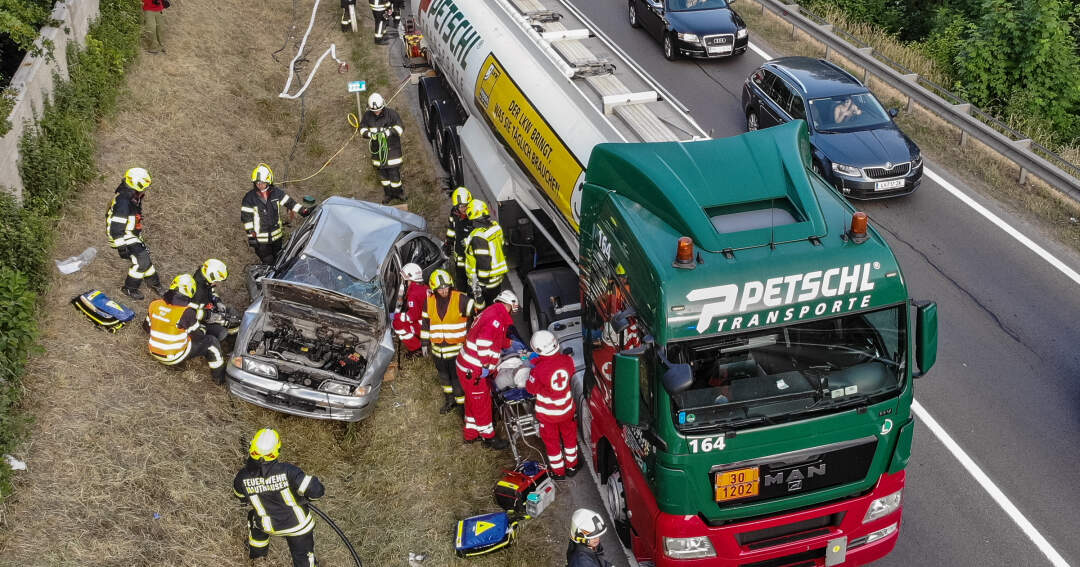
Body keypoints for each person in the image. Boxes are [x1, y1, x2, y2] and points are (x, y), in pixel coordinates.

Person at [233, 428, 325, 567]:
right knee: (303, 557)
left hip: (267, 525)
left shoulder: (242, 476)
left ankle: (257, 556)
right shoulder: (288, 471)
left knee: (254, 517)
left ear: (252, 448)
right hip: (297, 526)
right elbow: (316, 491)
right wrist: (304, 500)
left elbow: (239, 496)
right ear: (277, 450)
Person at [455, 290, 520, 450]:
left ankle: (470, 434)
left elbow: (495, 338)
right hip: (474, 369)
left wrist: (509, 344)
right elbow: (484, 344)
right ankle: (488, 437)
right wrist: (486, 366)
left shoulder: (492, 313)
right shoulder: (495, 319)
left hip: (466, 366)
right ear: (509, 305)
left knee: (472, 401)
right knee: (482, 403)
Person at [142, 274, 226, 384]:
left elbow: (146, 327)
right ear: (191, 291)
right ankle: (219, 378)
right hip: (173, 356)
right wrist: (203, 328)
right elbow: (198, 336)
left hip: (153, 350)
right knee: (211, 342)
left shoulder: (155, 304)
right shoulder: (186, 312)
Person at [420, 269, 474, 414]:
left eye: (446, 287)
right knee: (444, 378)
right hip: (438, 351)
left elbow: (476, 313)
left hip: (457, 351)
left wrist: (478, 297)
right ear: (433, 289)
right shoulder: (428, 302)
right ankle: (449, 400)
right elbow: (425, 324)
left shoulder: (460, 299)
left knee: (457, 380)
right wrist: (424, 343)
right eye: (440, 288)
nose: (443, 291)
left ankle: (462, 407)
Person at [526, 330, 579, 479]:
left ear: (537, 350)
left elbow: (531, 389)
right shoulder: (567, 361)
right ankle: (572, 466)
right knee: (569, 439)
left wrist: (536, 364)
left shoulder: (537, 371)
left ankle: (559, 472)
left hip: (548, 416)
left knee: (552, 443)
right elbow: (568, 371)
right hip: (567, 411)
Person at [107, 167, 163, 300]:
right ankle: (129, 288)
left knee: (145, 257)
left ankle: (154, 283)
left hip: (131, 233)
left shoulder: (131, 196)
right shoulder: (123, 202)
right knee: (141, 260)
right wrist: (121, 247)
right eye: (143, 187)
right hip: (122, 235)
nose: (144, 190)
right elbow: (116, 227)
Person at [241, 163, 308, 265]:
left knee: (279, 260)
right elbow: (246, 218)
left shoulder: (277, 193)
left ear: (269, 181)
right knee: (269, 262)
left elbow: (290, 203)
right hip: (261, 241)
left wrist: (304, 211)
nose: (259, 185)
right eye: (257, 182)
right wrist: (251, 235)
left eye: (262, 182)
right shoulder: (249, 198)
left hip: (277, 238)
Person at [359, 93, 406, 203]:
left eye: (378, 110)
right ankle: (388, 194)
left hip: (392, 151)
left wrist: (389, 132)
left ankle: (398, 193)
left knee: (394, 175)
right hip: (377, 152)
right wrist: (369, 134)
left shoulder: (392, 114)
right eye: (374, 110)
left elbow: (400, 127)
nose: (376, 112)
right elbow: (362, 129)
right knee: (383, 176)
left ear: (383, 105)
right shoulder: (367, 116)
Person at [463, 199, 508, 309]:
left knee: (483, 310)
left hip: (484, 284)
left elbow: (483, 262)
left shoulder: (478, 237)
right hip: (497, 279)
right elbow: (500, 246)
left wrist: (480, 285)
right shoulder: (495, 227)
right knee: (495, 307)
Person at [190, 258, 232, 342]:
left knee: (230, 311)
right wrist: (210, 316)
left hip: (206, 309)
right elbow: (192, 314)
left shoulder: (204, 280)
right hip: (197, 322)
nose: (216, 283)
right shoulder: (197, 291)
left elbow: (210, 292)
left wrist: (217, 301)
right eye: (216, 280)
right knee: (221, 333)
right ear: (211, 276)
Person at [391, 263, 428, 359]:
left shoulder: (413, 294)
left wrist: (394, 316)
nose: (403, 280)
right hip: (430, 322)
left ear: (410, 278)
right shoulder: (424, 288)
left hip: (425, 325)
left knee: (397, 324)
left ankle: (416, 348)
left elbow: (413, 315)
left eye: (404, 278)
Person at [444, 187, 473, 293]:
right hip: (459, 255)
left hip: (472, 256)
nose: (463, 209)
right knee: (461, 281)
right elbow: (452, 228)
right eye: (460, 206)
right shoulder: (454, 213)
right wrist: (448, 242)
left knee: (473, 282)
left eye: (465, 205)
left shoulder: (474, 215)